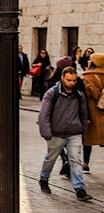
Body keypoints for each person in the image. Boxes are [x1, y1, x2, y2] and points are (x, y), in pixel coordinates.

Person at [38, 67, 93, 201]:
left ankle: (80, 189)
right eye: (69, 80)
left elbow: (83, 114)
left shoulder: (79, 94)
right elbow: (44, 114)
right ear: (62, 78)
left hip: (74, 133)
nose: (71, 83)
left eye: (74, 80)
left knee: (76, 160)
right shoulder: (52, 93)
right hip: (56, 133)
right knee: (50, 158)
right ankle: (43, 179)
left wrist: (84, 132)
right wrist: (47, 133)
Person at [81, 53, 104, 173]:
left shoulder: (87, 77)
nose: (89, 61)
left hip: (92, 112)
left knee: (88, 140)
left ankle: (85, 164)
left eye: (91, 59)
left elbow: (85, 96)